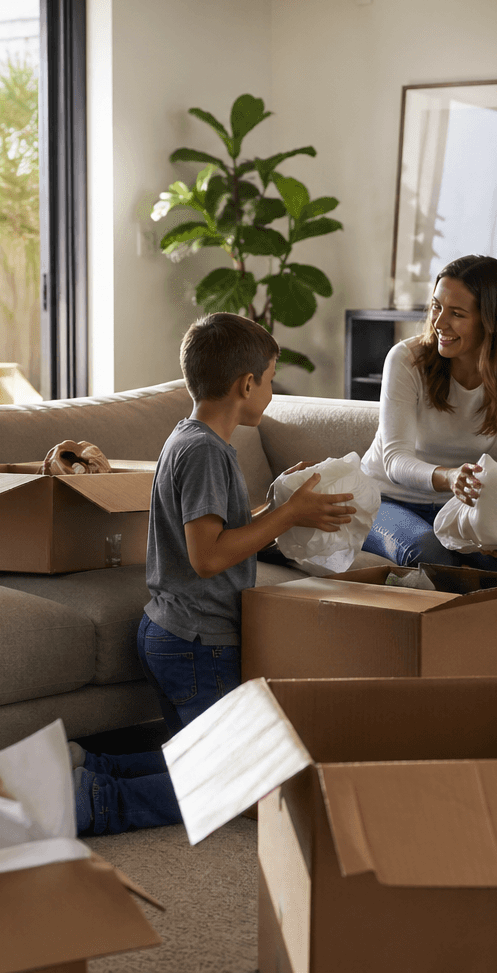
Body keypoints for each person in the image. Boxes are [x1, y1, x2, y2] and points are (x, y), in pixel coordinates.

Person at [74, 312, 357, 836]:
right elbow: (207, 557)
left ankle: (96, 769)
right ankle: (96, 803)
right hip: (197, 643)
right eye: (269, 380)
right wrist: (286, 516)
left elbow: (218, 535)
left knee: (201, 758)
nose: (271, 391)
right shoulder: (205, 451)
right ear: (246, 384)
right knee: (234, 779)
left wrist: (276, 506)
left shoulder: (192, 439)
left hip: (172, 632)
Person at [362, 254, 497, 576]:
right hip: (386, 499)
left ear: (491, 321)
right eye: (436, 307)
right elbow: (395, 460)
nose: (439, 322)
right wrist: (451, 477)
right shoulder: (406, 360)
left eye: (457, 314)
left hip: (458, 505)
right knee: (429, 552)